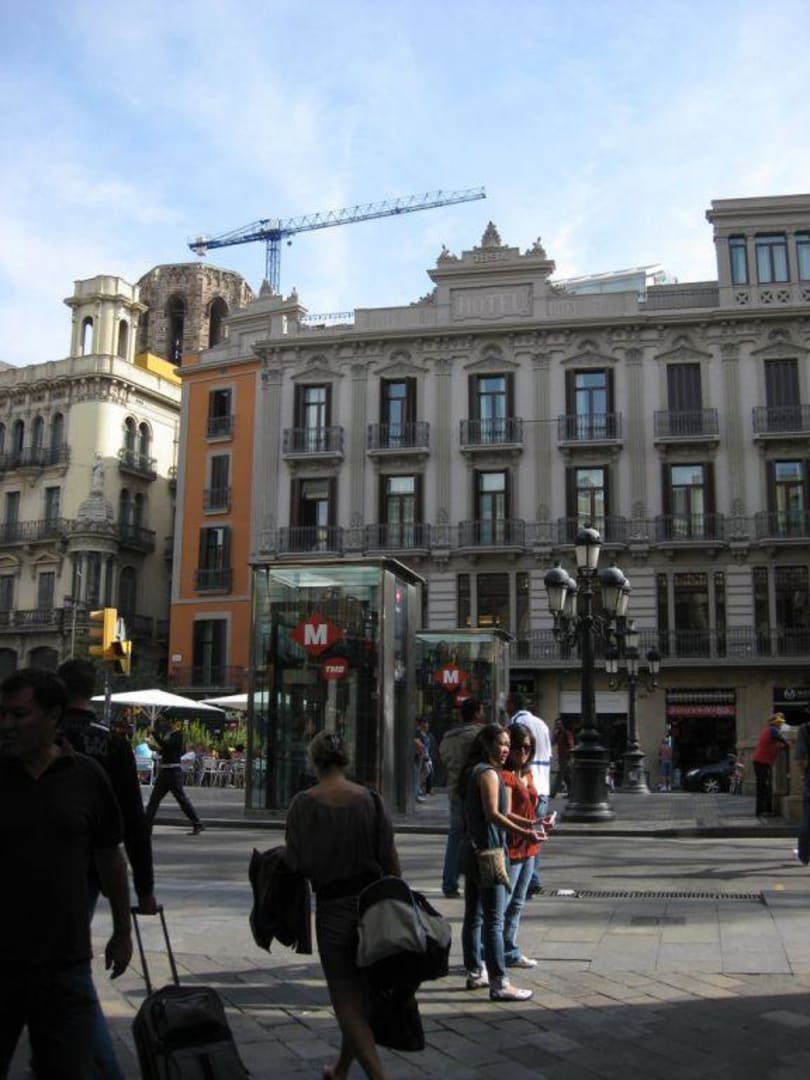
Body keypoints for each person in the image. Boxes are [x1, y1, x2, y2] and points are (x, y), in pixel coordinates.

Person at [0, 668, 132, 1078]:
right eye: (3, 714)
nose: (7, 724)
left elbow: (111, 859)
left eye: (19, 715)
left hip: (63, 963)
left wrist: (122, 931)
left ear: (53, 716)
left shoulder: (86, 777)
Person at [57, 658, 157, 1080]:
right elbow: (133, 821)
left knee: (66, 972)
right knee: (64, 970)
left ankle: (101, 1066)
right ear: (93, 690)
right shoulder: (112, 743)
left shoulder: (46, 736)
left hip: (55, 867)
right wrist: (145, 889)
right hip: (93, 870)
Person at [285, 730, 401, 1080]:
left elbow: (295, 863)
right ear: (345, 759)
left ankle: (379, 1077)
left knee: (345, 999)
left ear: (314, 761)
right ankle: (340, 1069)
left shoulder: (303, 804)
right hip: (372, 907)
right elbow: (390, 858)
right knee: (361, 997)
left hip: (332, 908)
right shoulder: (370, 800)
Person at [458, 723, 542, 1002]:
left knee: (474, 915)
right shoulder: (489, 774)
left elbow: (501, 812)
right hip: (489, 853)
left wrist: (530, 823)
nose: (506, 749)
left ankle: (475, 971)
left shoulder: (475, 772)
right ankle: (499, 982)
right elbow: (494, 815)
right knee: (494, 919)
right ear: (487, 744)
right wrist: (526, 833)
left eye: (508, 744)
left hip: (472, 850)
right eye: (501, 744)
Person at [502, 723, 545, 969]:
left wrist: (538, 823)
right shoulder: (506, 776)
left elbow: (530, 806)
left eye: (528, 748)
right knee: (505, 901)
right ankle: (492, 951)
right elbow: (506, 812)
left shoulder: (527, 773)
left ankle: (510, 949)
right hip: (514, 843)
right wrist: (528, 827)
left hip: (529, 844)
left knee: (518, 901)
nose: (523, 753)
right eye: (519, 748)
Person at [506, 691, 551, 896]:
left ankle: (526, 881)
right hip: (542, 787)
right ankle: (532, 879)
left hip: (525, 786)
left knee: (520, 836)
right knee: (535, 834)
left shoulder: (515, 723)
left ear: (512, 704)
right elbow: (549, 756)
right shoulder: (542, 724)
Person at [439, 697, 484, 898]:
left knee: (455, 836)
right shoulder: (479, 735)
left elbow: (445, 760)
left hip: (455, 790)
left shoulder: (448, 738)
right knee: (477, 836)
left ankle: (449, 882)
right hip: (474, 790)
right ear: (476, 713)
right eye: (481, 711)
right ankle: (476, 880)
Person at [145, 716, 205, 834]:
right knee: (154, 800)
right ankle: (146, 827)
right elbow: (166, 750)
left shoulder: (178, 735)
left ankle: (197, 823)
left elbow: (168, 747)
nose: (162, 723)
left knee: (181, 799)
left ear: (171, 721)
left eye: (164, 721)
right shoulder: (167, 735)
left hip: (173, 772)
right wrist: (155, 748)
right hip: (165, 771)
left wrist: (154, 734)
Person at [752, 712, 790, 817]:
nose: (781, 724)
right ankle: (762, 811)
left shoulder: (769, 730)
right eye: (779, 722)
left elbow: (775, 744)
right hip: (762, 762)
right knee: (764, 787)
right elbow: (783, 740)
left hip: (761, 761)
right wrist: (789, 745)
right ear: (775, 723)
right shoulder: (773, 730)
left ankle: (764, 810)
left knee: (764, 786)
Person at [795, 716, 810, 865]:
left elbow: (800, 759)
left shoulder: (805, 729)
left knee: (808, 819)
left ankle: (804, 855)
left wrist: (803, 775)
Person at [550, 717, 573, 798]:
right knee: (567, 776)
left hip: (566, 758)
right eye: (556, 724)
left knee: (560, 775)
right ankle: (572, 793)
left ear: (563, 724)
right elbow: (552, 742)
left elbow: (571, 745)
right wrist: (554, 731)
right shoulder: (558, 734)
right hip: (561, 757)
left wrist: (569, 757)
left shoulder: (567, 733)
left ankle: (553, 792)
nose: (558, 726)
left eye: (559, 724)